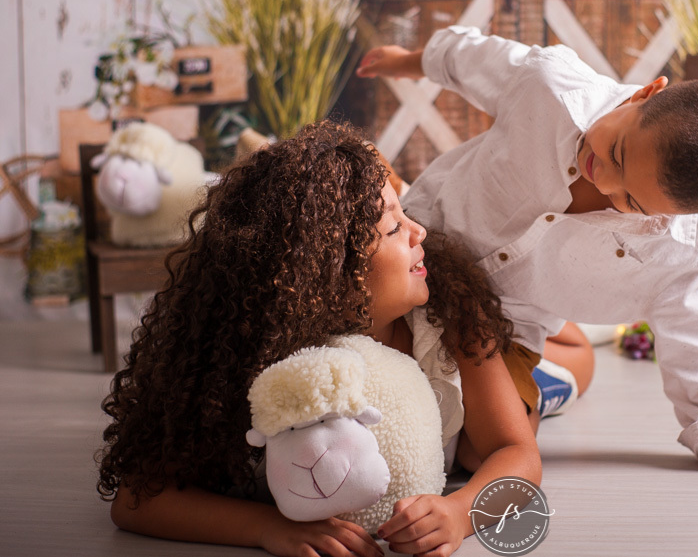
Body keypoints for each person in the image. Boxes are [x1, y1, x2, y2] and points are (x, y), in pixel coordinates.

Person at [356, 26, 698, 483]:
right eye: (617, 154)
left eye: (631, 203)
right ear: (645, 93)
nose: (606, 182)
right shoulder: (549, 86)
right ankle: (569, 347)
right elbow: (471, 58)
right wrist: (408, 60)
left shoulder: (687, 251)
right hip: (422, 237)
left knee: (478, 455)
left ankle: (553, 378)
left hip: (506, 321)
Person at [96, 120, 540, 557]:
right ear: (330, 274)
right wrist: (265, 527)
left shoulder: (453, 313)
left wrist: (461, 511)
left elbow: (517, 452)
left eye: (405, 213)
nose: (418, 231)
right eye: (392, 228)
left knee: (544, 387)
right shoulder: (252, 357)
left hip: (504, 376)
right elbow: (137, 500)